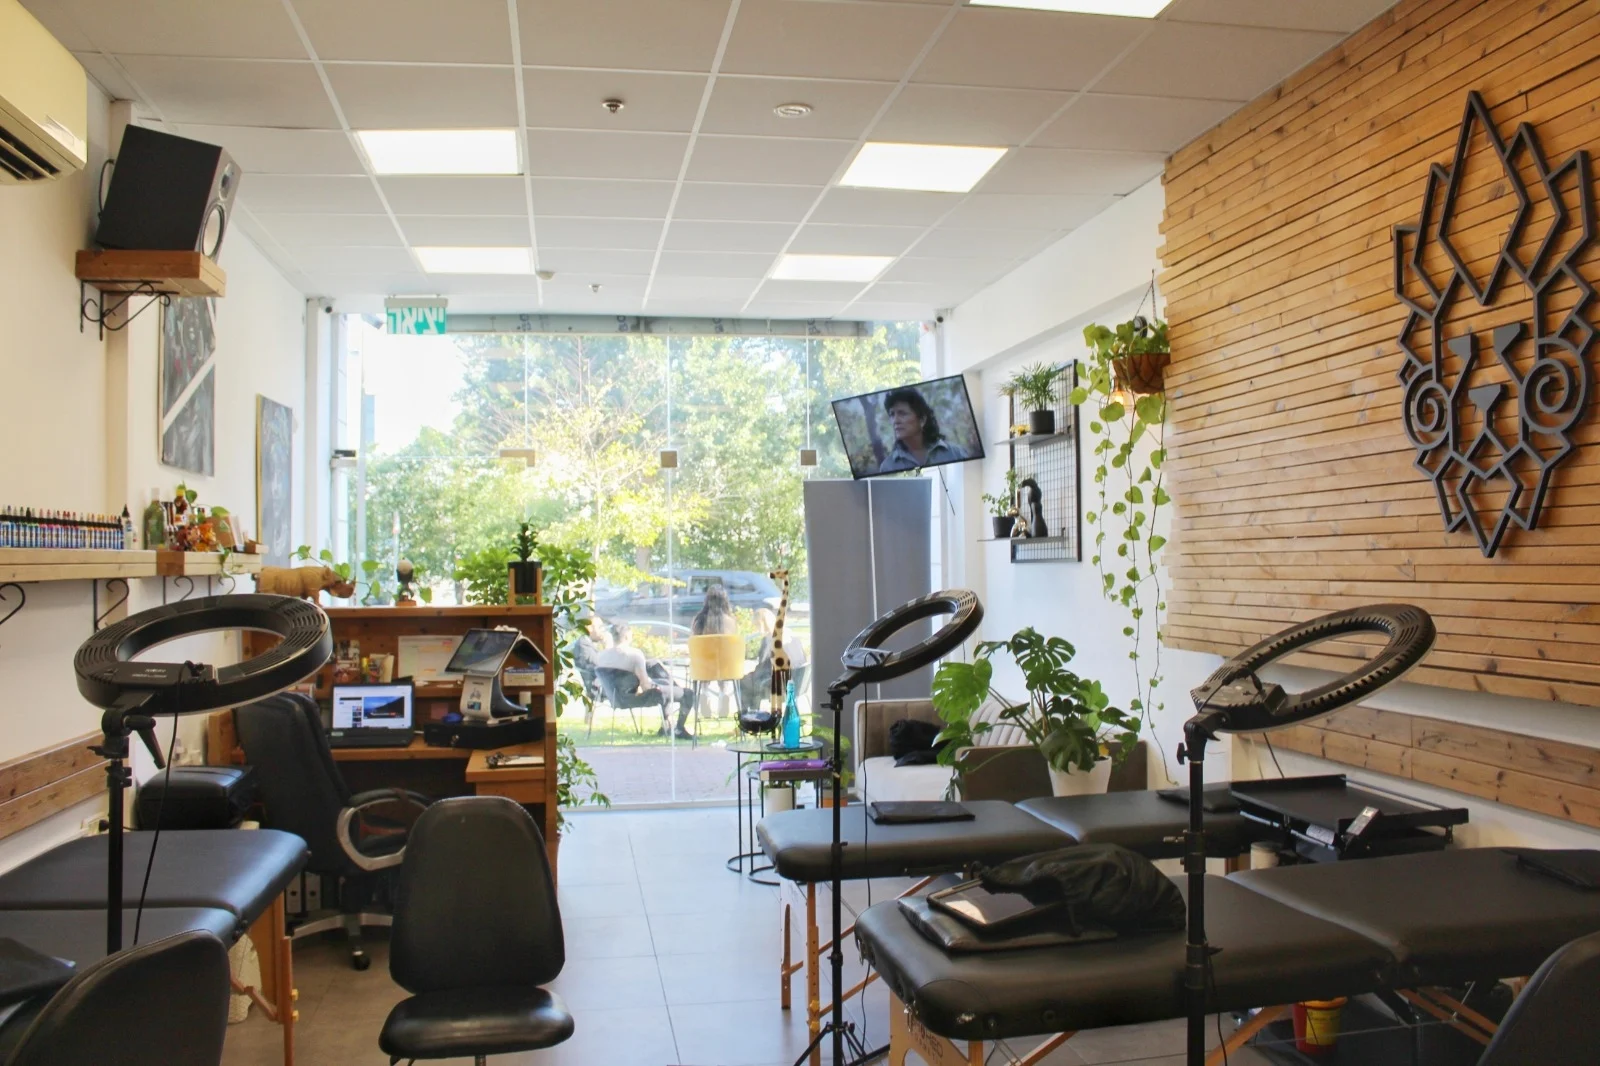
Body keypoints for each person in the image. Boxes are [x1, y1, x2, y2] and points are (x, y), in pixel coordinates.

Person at [595, 621, 695, 740]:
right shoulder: (634, 655)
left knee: (664, 685)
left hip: (615, 699)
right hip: (634, 699)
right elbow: (646, 687)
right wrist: (656, 684)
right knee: (687, 693)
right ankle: (678, 729)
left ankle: (667, 725)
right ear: (627, 636)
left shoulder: (600, 656)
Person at [877, 387, 961, 473]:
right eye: (892, 414)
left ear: (922, 420)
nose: (895, 421)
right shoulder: (888, 467)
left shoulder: (955, 454)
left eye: (902, 414)